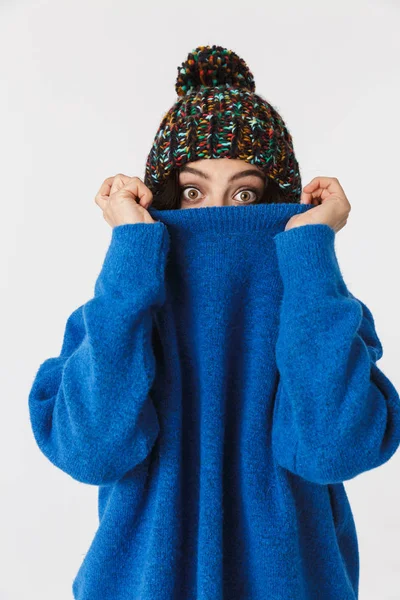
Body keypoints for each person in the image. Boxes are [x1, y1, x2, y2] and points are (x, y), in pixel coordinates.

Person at [28, 45, 400, 600]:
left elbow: (334, 450)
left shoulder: (316, 302)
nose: (220, 215)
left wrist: (309, 251)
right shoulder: (122, 308)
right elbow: (92, 451)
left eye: (246, 193)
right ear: (162, 197)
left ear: (277, 198)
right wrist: (132, 251)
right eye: (192, 192)